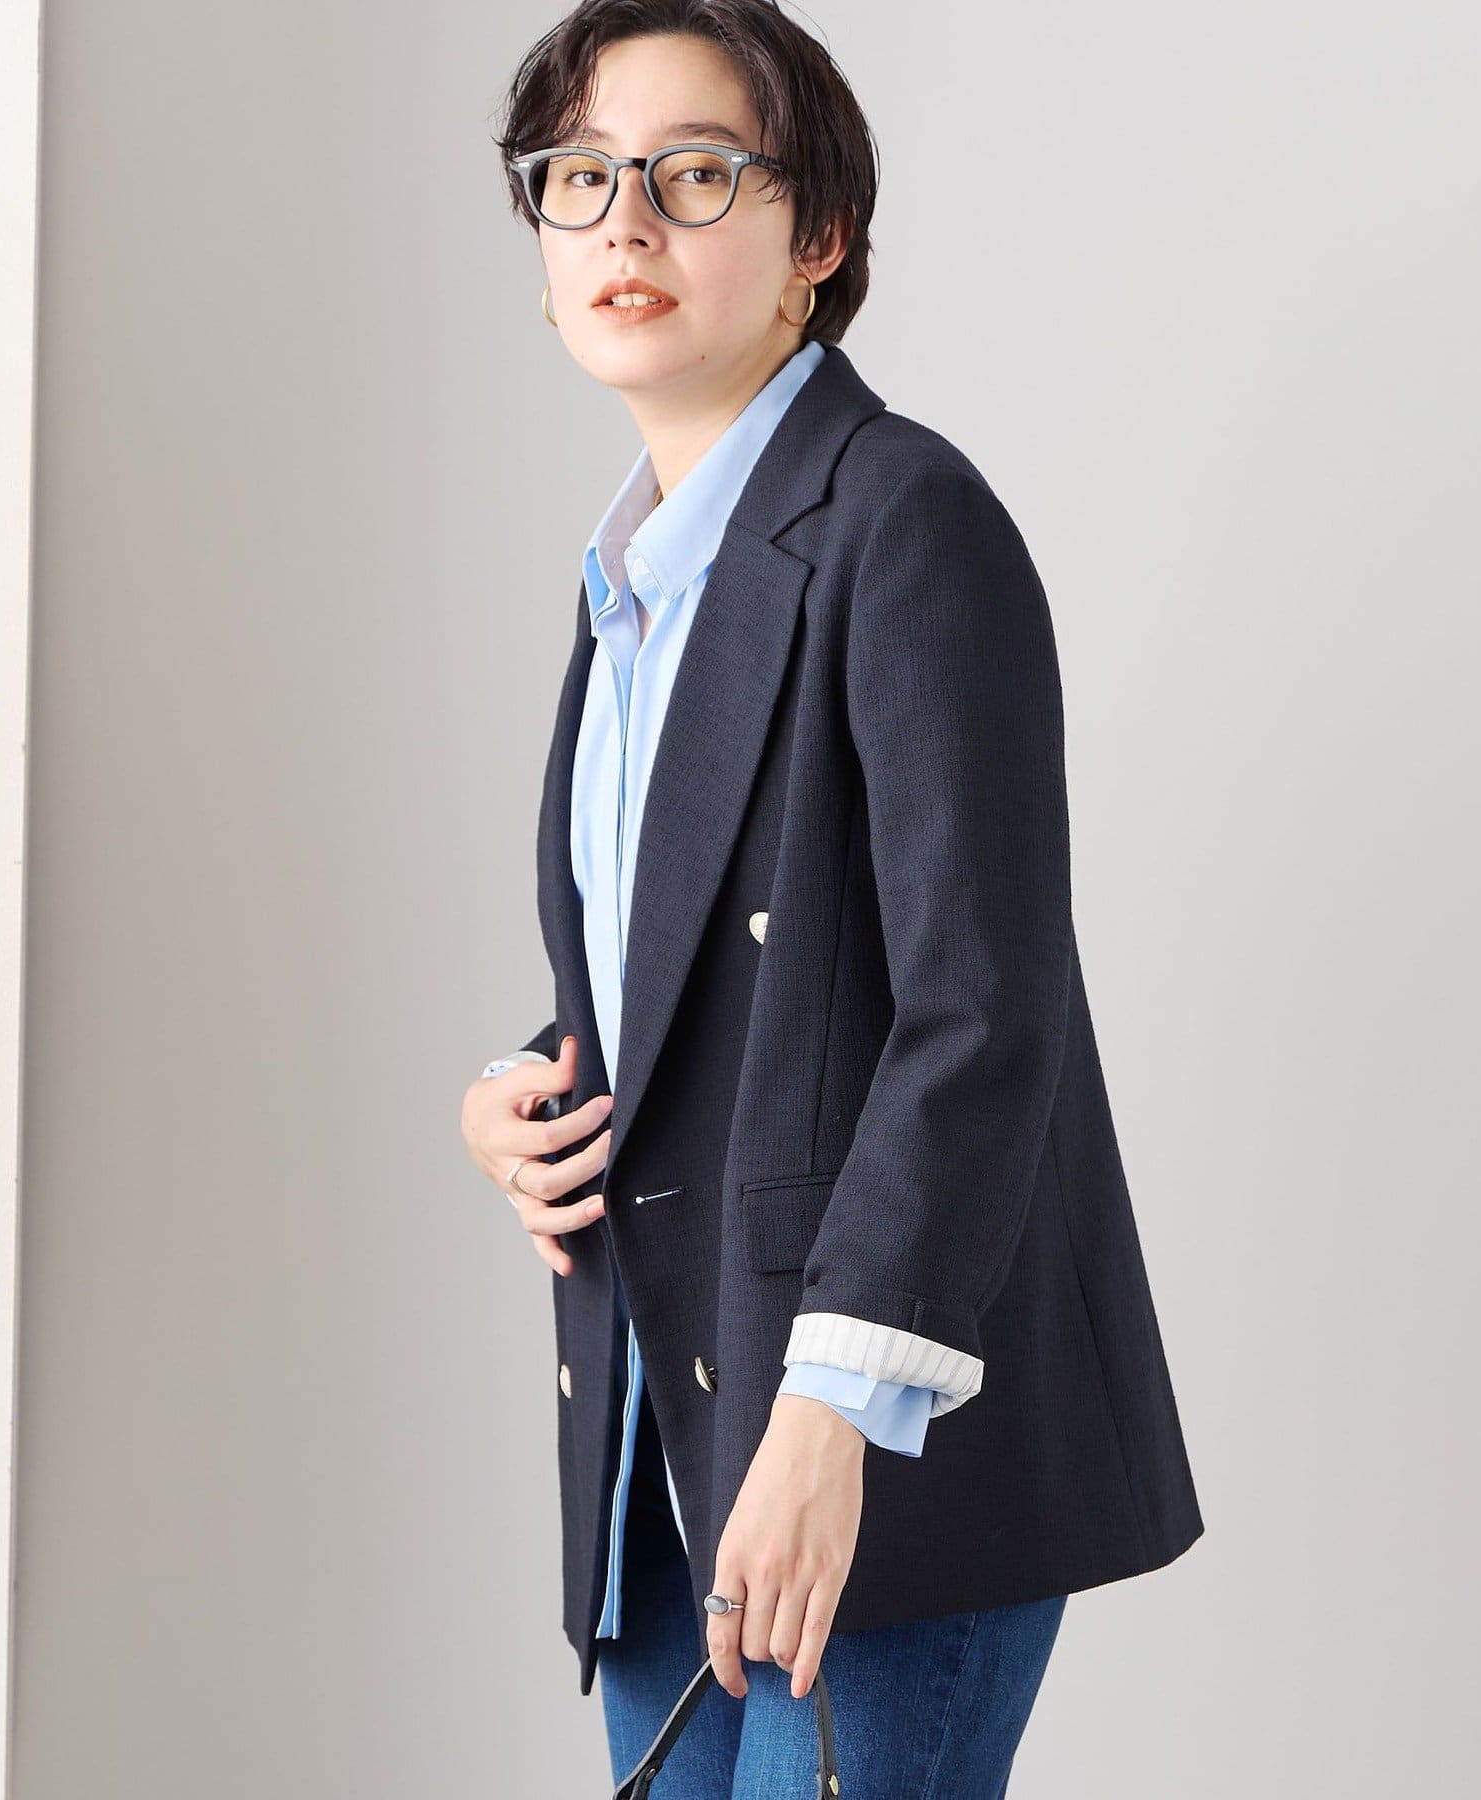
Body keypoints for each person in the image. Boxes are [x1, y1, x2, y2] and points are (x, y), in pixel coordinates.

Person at [461, 3, 1204, 1792]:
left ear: (820, 237)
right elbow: (723, 984)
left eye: (694, 174)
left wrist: (830, 1414)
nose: (626, 222)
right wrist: (526, 1090)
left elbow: (981, 1011)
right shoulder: (634, 580)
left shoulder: (903, 519)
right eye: (579, 177)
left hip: (862, 1442)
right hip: (666, 1425)